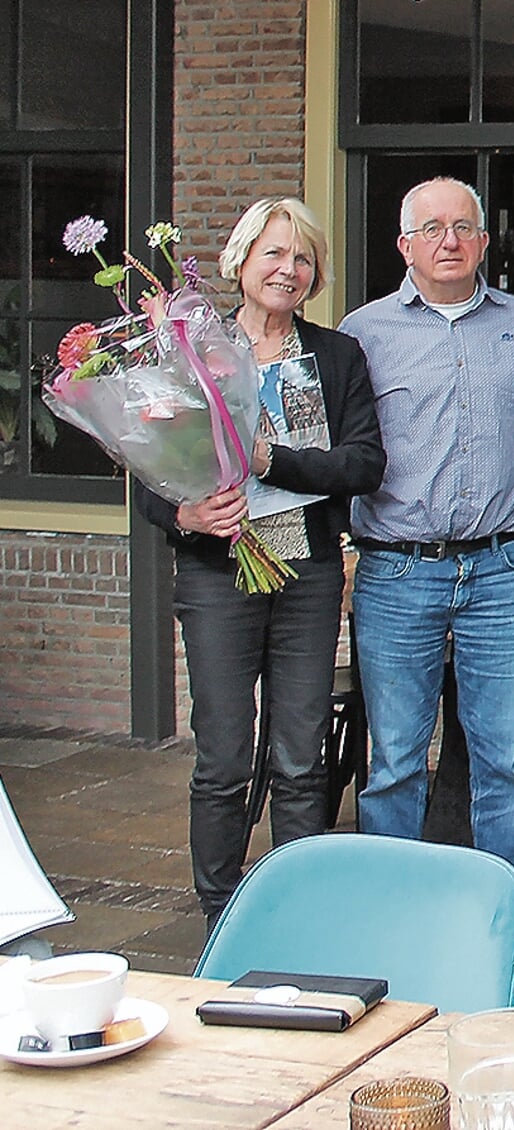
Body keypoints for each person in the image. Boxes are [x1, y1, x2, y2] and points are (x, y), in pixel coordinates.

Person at [134, 197, 385, 927]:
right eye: (274, 253)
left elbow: (364, 464)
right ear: (240, 262)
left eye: (303, 257)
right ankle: (221, 909)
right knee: (224, 753)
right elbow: (148, 475)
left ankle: (298, 906)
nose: (289, 269)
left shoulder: (334, 357)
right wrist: (184, 514)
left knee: (301, 752)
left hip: (306, 571)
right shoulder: (192, 355)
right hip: (218, 573)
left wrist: (275, 459)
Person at [339, 177, 514, 958]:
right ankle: (390, 914)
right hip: (397, 571)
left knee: (507, 756)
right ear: (404, 245)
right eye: (430, 229)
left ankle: (497, 916)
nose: (448, 242)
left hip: (501, 569)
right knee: (398, 757)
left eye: (462, 227)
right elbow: (343, 449)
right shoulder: (361, 334)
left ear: (484, 241)